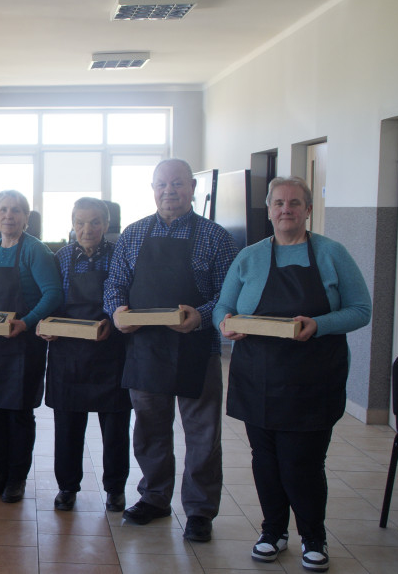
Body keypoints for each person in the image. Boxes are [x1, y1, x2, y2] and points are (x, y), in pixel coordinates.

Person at [215, 176, 371, 571]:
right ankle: (272, 531)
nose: (287, 209)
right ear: (269, 210)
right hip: (257, 378)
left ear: (307, 210)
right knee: (264, 459)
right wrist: (224, 325)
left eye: (295, 203)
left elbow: (361, 309)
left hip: (313, 379)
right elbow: (223, 306)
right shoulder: (248, 257)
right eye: (279, 202)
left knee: (302, 461)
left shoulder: (333, 254)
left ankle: (313, 536)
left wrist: (318, 324)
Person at [104, 158, 237, 542]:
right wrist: (115, 312)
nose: (169, 191)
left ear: (192, 188)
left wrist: (203, 315)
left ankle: (199, 511)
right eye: (162, 184)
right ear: (152, 187)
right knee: (149, 431)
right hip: (145, 348)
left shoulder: (216, 237)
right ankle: (155, 497)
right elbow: (115, 283)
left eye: (177, 183)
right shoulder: (133, 234)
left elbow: (229, 296)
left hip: (198, 348)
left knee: (202, 435)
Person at [40, 197, 130, 512]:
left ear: (106, 225)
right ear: (72, 223)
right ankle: (67, 487)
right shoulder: (60, 257)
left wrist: (114, 323)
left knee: (116, 428)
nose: (86, 229)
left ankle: (115, 489)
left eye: (94, 222)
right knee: (67, 426)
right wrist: (45, 324)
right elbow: (49, 298)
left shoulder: (120, 255)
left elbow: (126, 298)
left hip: (110, 351)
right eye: (80, 222)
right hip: (68, 353)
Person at [0, 190, 63, 503]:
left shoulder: (35, 250)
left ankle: (16, 478)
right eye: (2, 210)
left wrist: (25, 322)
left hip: (23, 345)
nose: (8, 216)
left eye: (15, 210)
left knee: (18, 414)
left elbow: (52, 294)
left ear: (26, 217)